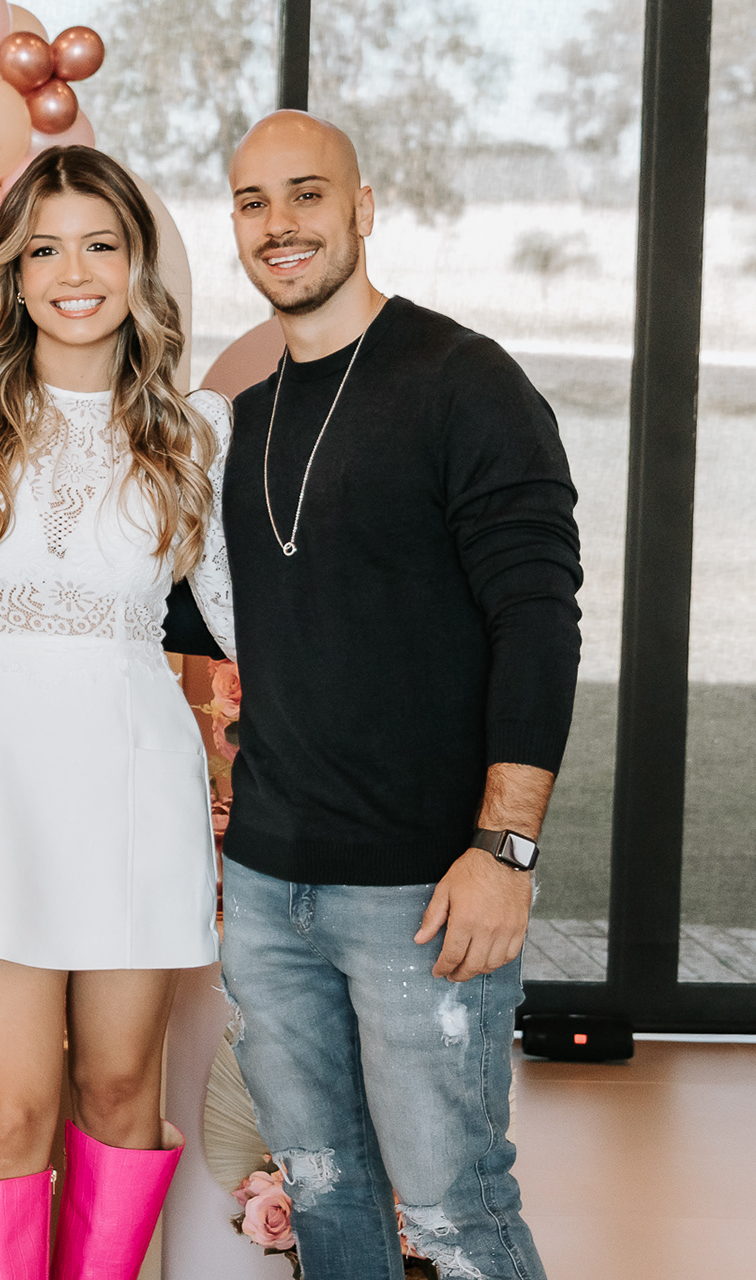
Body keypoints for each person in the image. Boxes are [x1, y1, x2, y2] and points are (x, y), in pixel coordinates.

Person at [217, 110, 580, 1279]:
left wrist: (505, 849)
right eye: (254, 201)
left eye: (308, 193)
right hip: (266, 887)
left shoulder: (463, 381)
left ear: (363, 207)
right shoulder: (248, 415)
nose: (281, 223)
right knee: (325, 1198)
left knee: (454, 1211)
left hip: (422, 892)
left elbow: (538, 617)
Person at [0, 145, 235, 1280]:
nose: (74, 273)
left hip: (136, 788)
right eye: (46, 248)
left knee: (120, 1087)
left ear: (139, 263)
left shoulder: (196, 429)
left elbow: (243, 619)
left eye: (102, 245)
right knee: (2, 1110)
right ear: (14, 268)